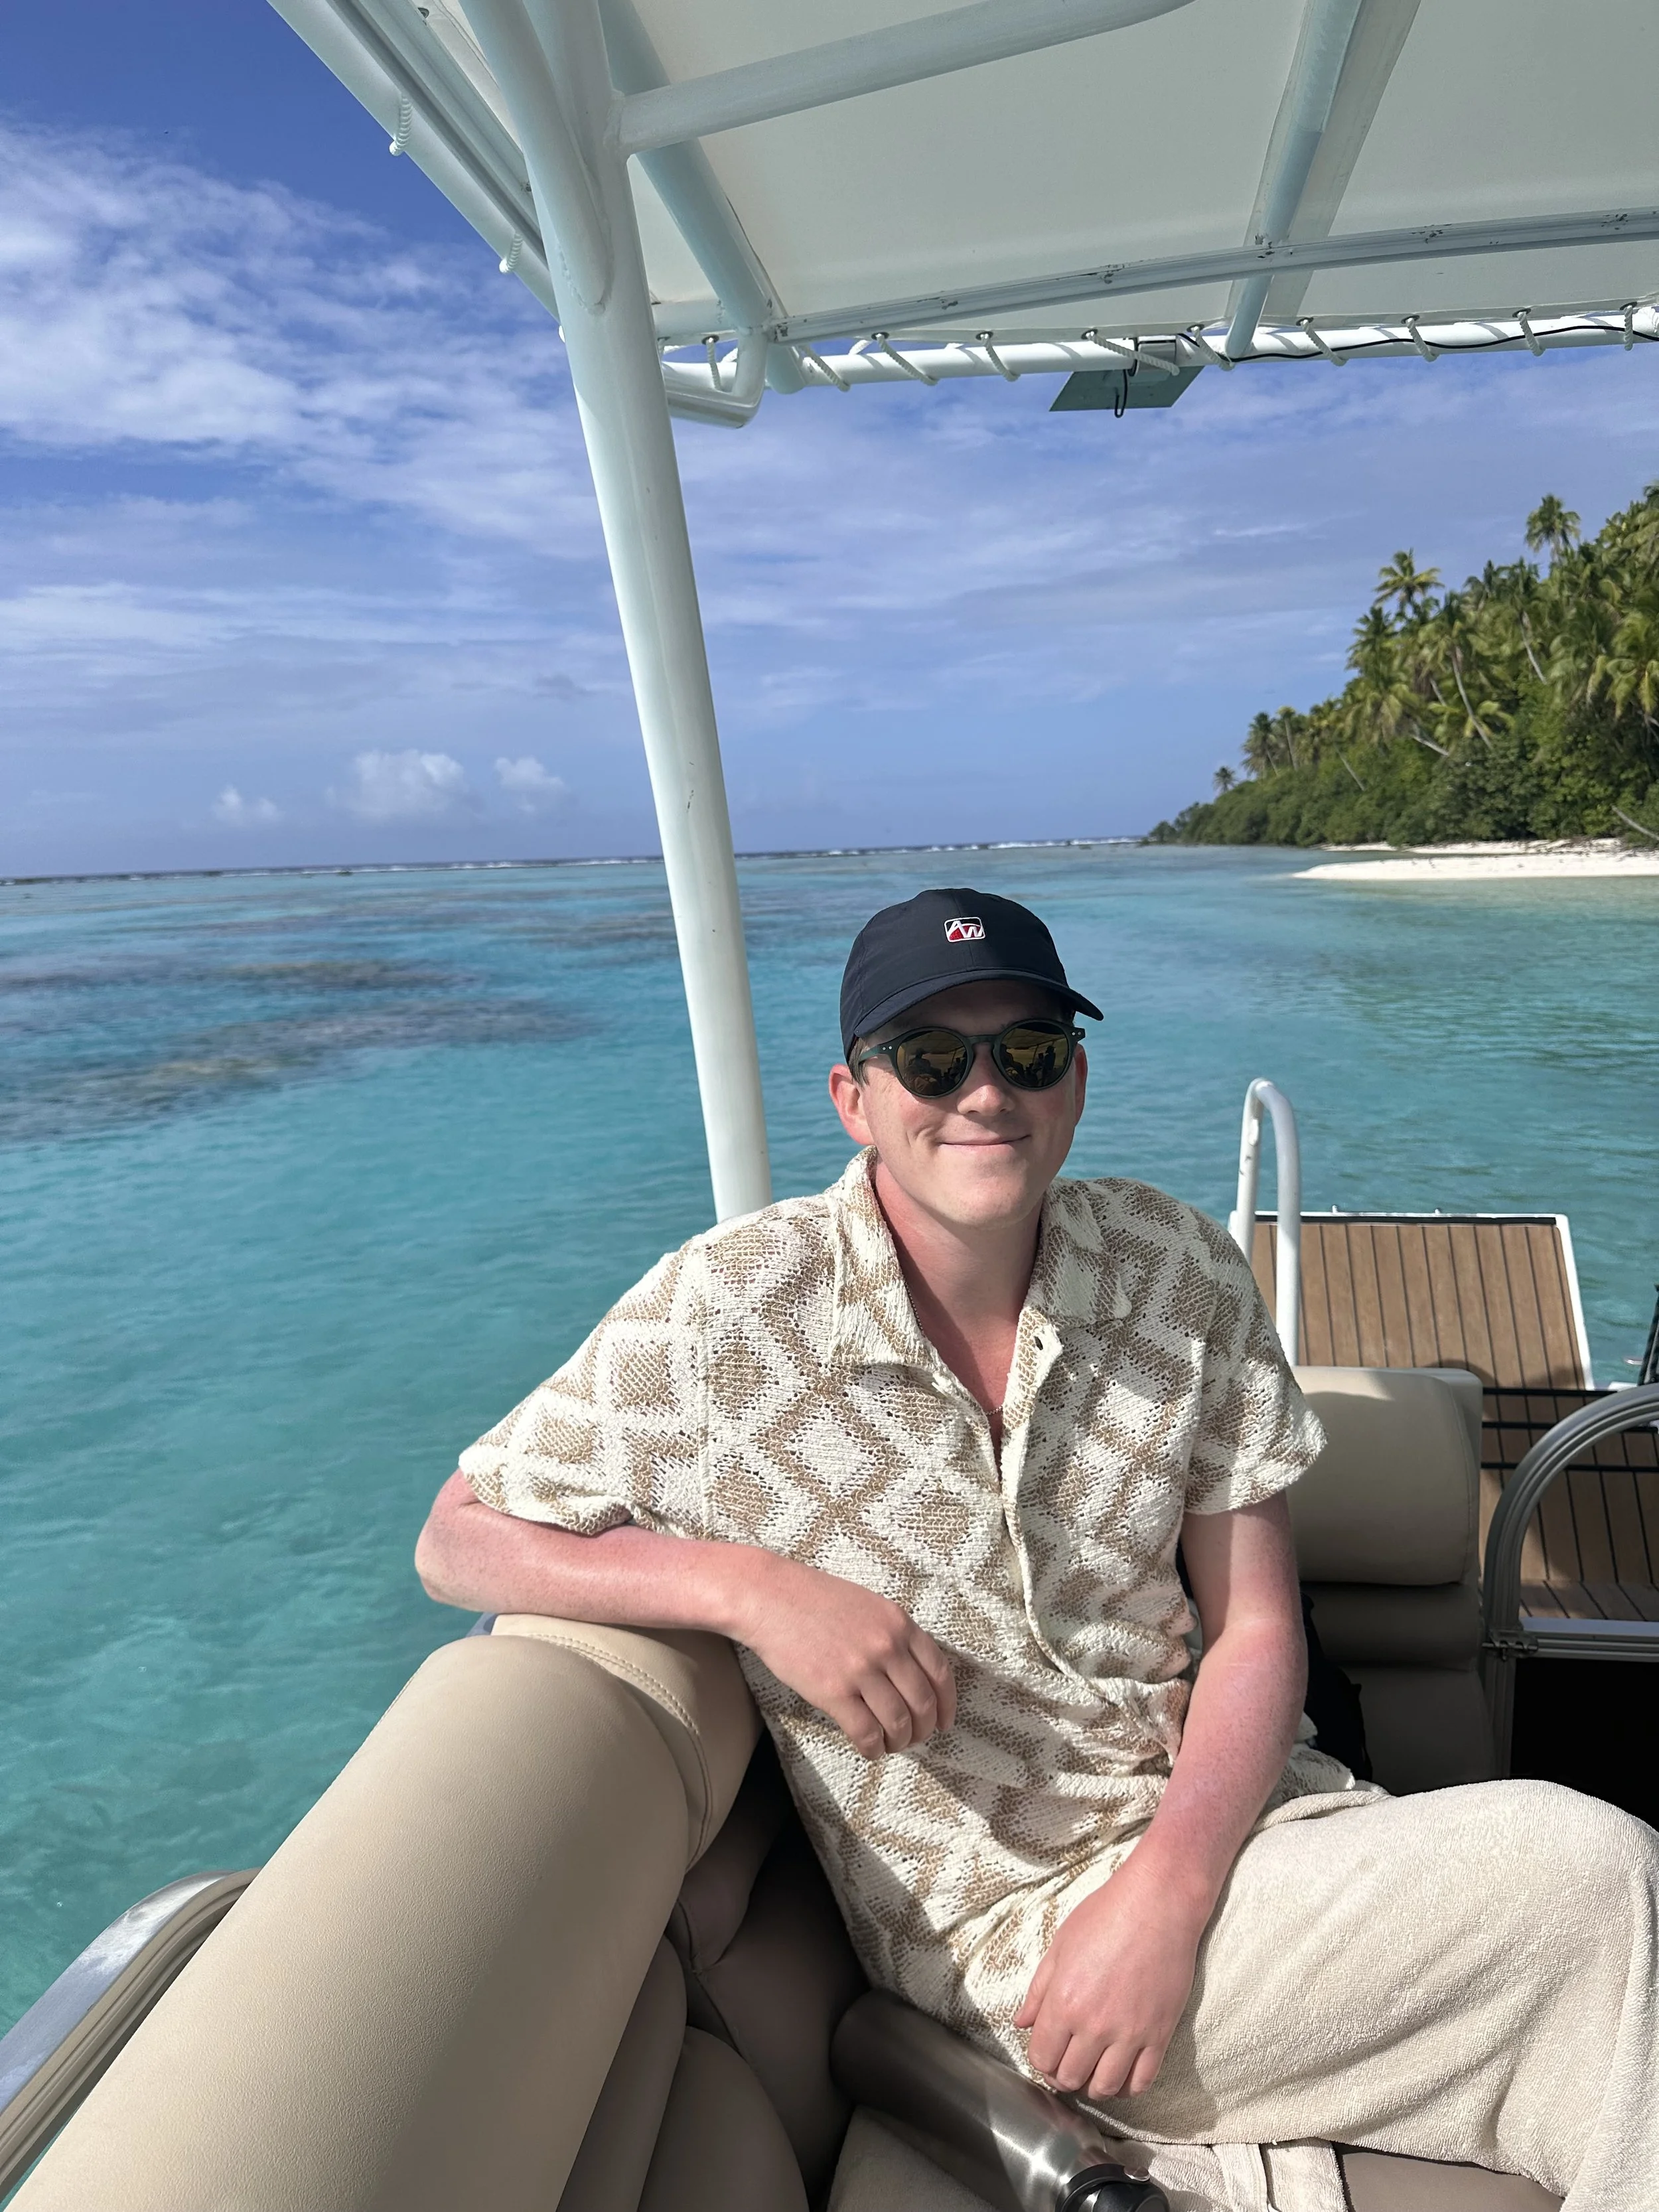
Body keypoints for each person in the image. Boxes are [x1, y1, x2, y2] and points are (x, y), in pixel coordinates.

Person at [416, 887, 1658, 2212]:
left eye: (1026, 1050)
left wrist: (1170, 1892)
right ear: (853, 1097)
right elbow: (458, 1533)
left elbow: (1252, 1625)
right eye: (931, 1057)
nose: (984, 1093)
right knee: (1597, 1880)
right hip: (1016, 1940)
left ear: (1072, 1079)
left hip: (1238, 1840)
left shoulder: (1175, 1268)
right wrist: (745, 1587)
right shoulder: (727, 1316)